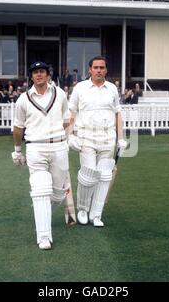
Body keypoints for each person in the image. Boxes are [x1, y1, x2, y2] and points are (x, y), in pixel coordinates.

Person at [12, 61, 70, 250]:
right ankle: (44, 236)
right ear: (31, 76)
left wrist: (65, 138)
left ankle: (41, 210)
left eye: (42, 72)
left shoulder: (60, 94)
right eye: (35, 72)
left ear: (48, 75)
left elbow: (67, 119)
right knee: (40, 190)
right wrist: (17, 150)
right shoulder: (23, 99)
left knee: (58, 194)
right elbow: (18, 126)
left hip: (59, 147)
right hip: (35, 147)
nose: (39, 75)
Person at [68, 56, 128, 227]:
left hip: (108, 137)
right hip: (86, 136)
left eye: (102, 67)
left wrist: (121, 138)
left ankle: (96, 214)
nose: (99, 70)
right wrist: (70, 135)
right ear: (90, 70)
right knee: (88, 175)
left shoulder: (112, 89)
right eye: (96, 67)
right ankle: (82, 209)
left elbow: (117, 114)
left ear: (106, 70)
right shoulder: (80, 88)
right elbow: (71, 113)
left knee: (104, 177)